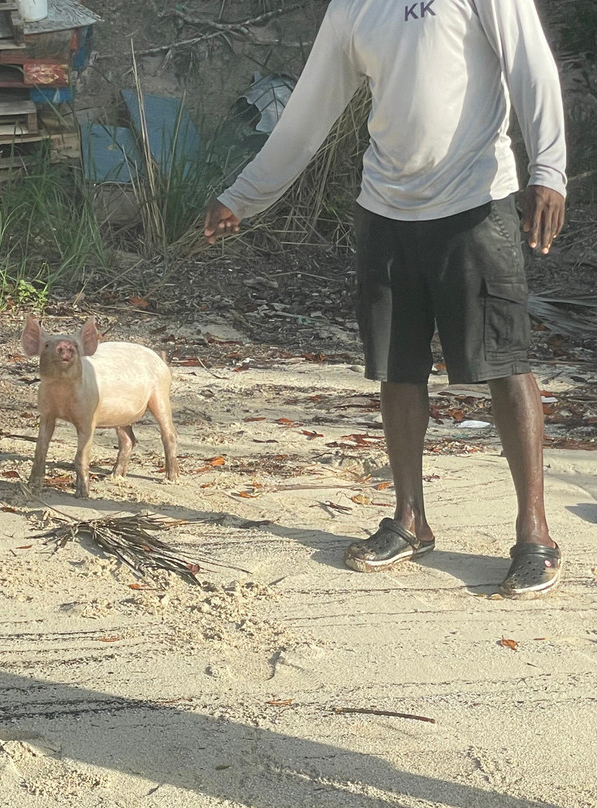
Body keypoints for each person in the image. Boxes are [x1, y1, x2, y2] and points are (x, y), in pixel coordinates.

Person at [204, 0, 567, 598]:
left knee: (505, 365)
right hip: (386, 209)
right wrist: (244, 194)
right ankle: (409, 519)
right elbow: (308, 112)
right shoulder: (353, 6)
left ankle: (535, 535)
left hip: (476, 204)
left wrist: (548, 169)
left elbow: (531, 66)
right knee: (398, 370)